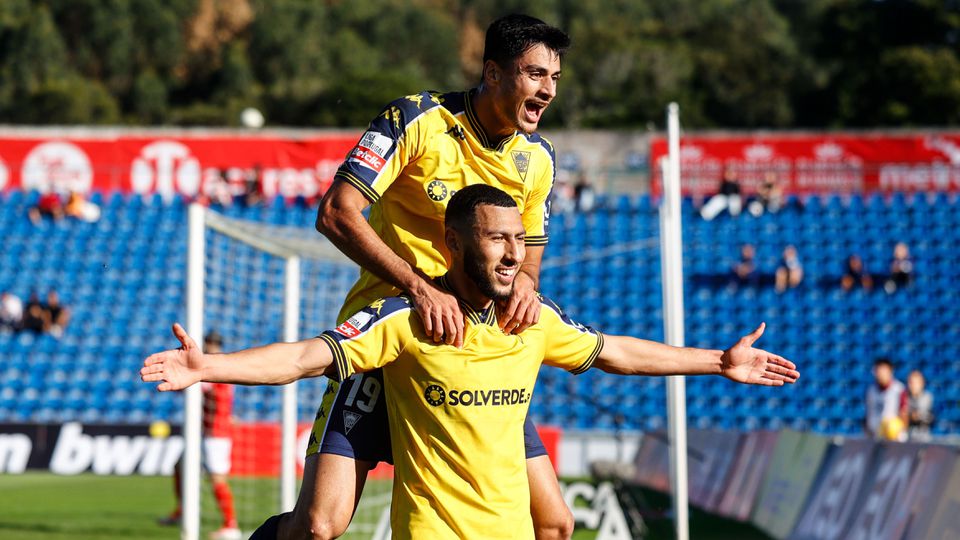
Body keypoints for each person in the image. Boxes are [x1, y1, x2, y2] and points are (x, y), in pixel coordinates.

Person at [141, 185, 799, 539]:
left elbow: (616, 352)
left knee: (557, 522)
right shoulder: (404, 320)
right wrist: (209, 367)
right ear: (454, 246)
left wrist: (718, 360)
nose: (515, 253)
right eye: (497, 239)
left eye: (519, 239)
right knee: (318, 524)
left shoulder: (534, 320)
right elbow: (306, 358)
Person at [291, 14, 571, 540]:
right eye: (535, 74)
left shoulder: (539, 159)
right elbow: (336, 212)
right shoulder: (417, 120)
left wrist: (527, 289)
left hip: (470, 360)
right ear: (492, 72)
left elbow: (529, 259)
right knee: (318, 527)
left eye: (554, 77)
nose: (548, 89)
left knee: (554, 523)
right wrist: (419, 288)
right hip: (387, 344)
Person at [159, 331, 240, 540]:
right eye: (208, 342)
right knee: (180, 466)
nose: (209, 346)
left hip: (216, 433)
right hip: (207, 431)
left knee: (217, 478)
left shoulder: (214, 366)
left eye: (212, 343)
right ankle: (183, 510)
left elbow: (198, 386)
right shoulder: (217, 365)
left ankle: (231, 524)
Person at [864, 358, 907, 440]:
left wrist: (900, 428)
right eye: (879, 371)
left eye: (884, 371)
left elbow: (903, 412)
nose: (881, 374)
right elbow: (868, 413)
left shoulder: (898, 389)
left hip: (894, 436)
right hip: (875, 435)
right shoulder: (870, 390)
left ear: (890, 371)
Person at [906, 369, 934, 442]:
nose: (912, 385)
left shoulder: (927, 398)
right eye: (910, 382)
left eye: (915, 383)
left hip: (924, 438)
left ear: (922, 383)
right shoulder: (905, 397)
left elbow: (929, 417)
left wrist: (916, 416)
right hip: (908, 438)